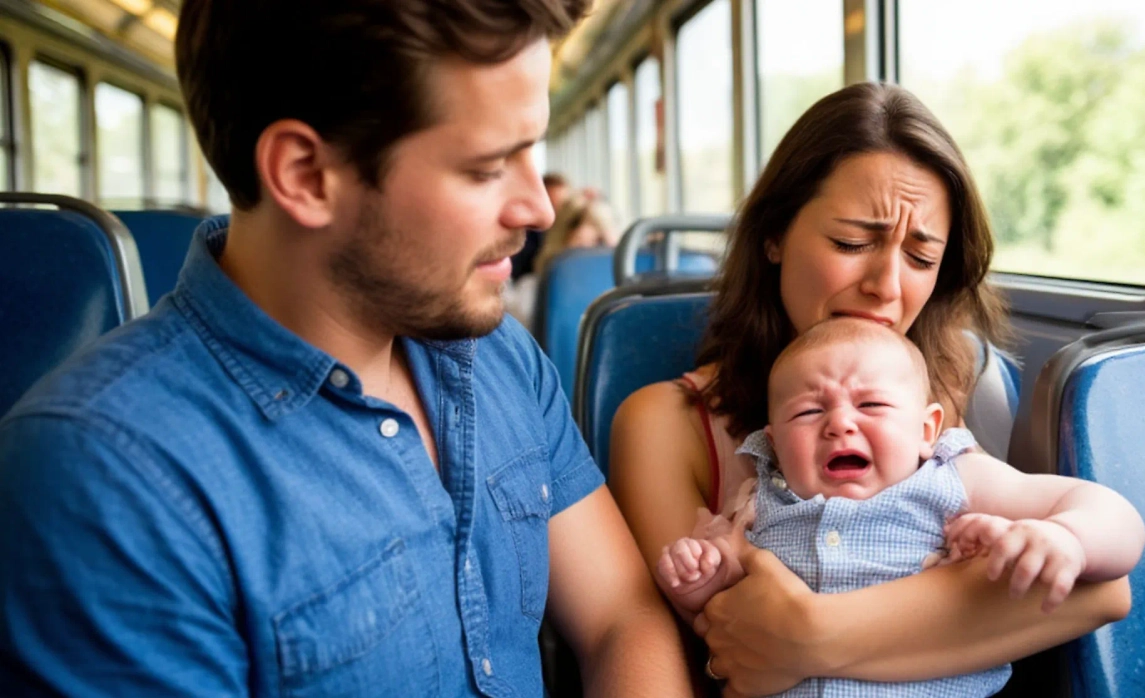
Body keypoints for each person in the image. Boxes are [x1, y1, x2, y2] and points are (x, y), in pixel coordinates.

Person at [0, 1, 690, 696]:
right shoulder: (103, 479)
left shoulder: (499, 353)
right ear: (305, 174)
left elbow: (619, 618)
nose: (539, 209)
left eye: (531, 153)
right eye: (487, 168)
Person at [609, 81, 1134, 698]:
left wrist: (812, 631)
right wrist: (951, 609)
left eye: (920, 256)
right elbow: (731, 635)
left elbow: (1094, 591)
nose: (887, 287)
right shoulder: (663, 423)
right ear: (774, 235)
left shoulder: (950, 391)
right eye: (853, 244)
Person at [655, 317, 1145, 697]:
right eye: (808, 411)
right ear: (774, 444)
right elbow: (725, 619)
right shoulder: (759, 502)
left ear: (927, 431)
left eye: (871, 406)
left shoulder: (953, 479)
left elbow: (1109, 511)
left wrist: (1067, 537)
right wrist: (702, 581)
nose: (840, 424)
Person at [505, 191, 619, 328]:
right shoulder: (531, 293)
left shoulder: (624, 294)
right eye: (580, 251)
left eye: (600, 243)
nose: (590, 263)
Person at [511, 172, 573, 280]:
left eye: (563, 205)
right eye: (551, 204)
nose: (557, 211)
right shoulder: (528, 238)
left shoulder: (575, 232)